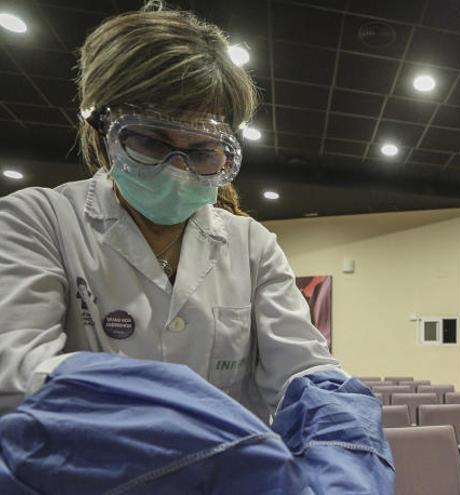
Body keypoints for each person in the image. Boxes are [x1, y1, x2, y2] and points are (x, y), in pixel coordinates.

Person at [0, 2, 391, 491]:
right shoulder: (37, 221)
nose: (177, 167)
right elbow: (17, 379)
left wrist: (344, 444)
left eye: (203, 150)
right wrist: (180, 426)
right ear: (101, 134)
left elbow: (305, 371)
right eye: (149, 141)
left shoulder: (251, 243)